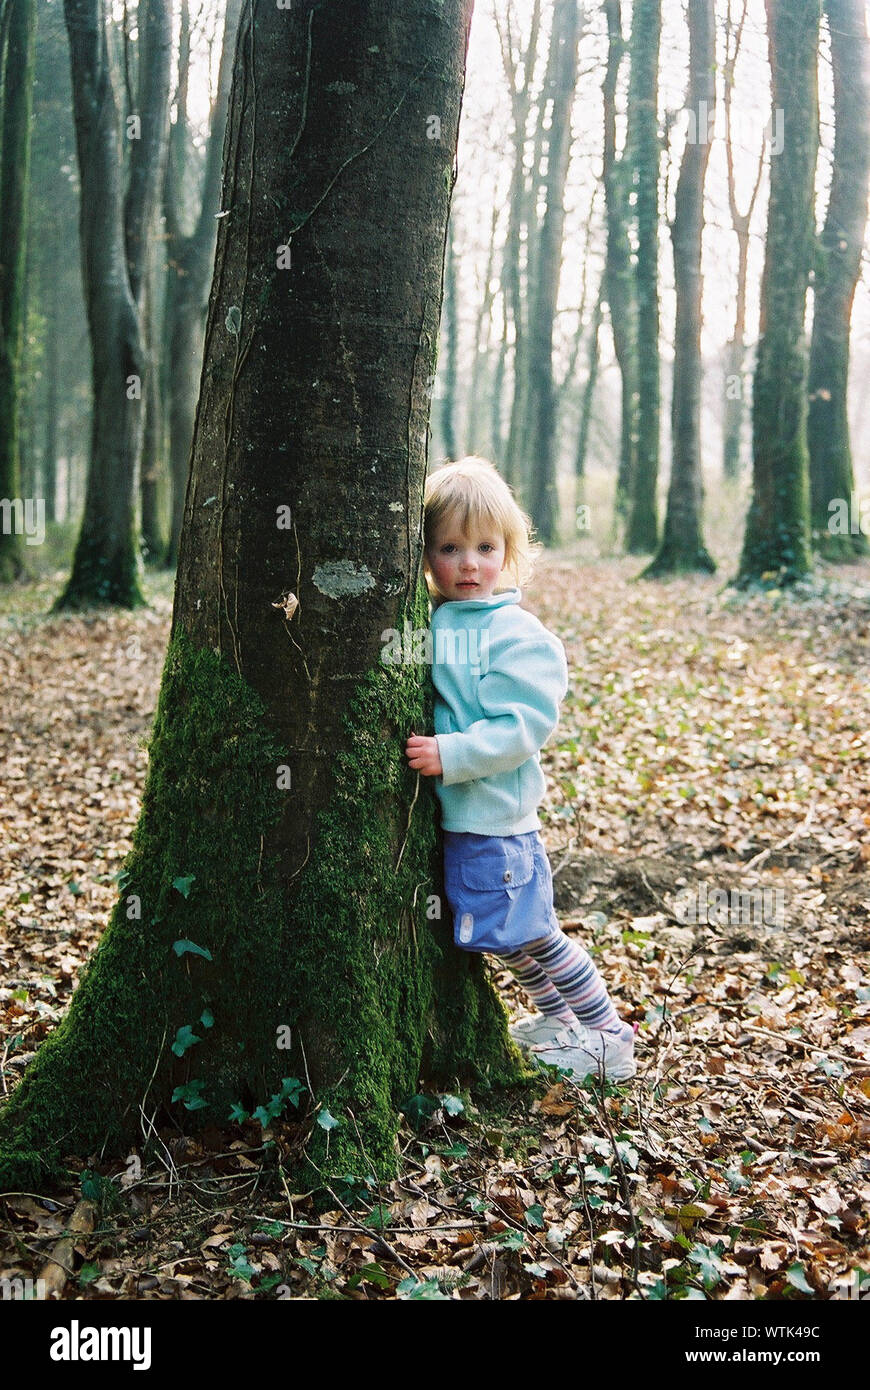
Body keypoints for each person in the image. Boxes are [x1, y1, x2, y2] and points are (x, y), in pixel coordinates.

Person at [405, 457, 636, 1083]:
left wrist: (452, 754)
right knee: (506, 939)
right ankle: (561, 1021)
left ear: (509, 552)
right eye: (450, 548)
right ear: (426, 556)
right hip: (467, 820)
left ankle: (605, 1033)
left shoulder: (515, 633)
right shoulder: (439, 621)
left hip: (500, 821)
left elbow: (521, 727)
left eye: (485, 547)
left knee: (531, 935)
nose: (469, 564)